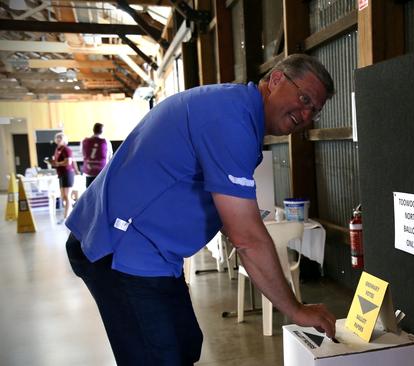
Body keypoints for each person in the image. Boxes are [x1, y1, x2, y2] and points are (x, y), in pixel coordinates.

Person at [64, 54, 336, 365]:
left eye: (313, 109)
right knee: (160, 357)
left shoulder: (237, 112)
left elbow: (226, 213)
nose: (305, 114)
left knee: (185, 345)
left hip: (154, 253)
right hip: (121, 249)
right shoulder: (231, 119)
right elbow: (246, 238)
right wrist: (296, 309)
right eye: (304, 98)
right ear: (275, 80)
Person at [51, 132, 75, 224]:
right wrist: (53, 163)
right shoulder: (57, 149)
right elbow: (58, 161)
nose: (58, 139)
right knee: (63, 196)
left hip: (68, 173)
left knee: (67, 196)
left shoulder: (67, 149)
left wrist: (58, 163)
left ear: (64, 139)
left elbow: (68, 162)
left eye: (60, 138)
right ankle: (73, 207)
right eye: (57, 138)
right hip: (60, 174)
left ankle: (66, 217)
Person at [82, 122, 113, 187]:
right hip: (101, 172)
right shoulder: (105, 141)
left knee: (89, 192)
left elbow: (83, 154)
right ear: (102, 131)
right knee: (100, 193)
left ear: (93, 130)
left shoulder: (85, 141)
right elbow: (110, 156)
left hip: (89, 171)